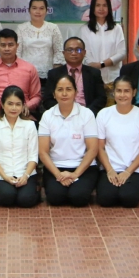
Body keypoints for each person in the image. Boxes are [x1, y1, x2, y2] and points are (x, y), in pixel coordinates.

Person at [38, 74, 99, 207]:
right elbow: (43, 152)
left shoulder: (86, 114)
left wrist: (75, 174)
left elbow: (93, 149)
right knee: (55, 198)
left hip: (83, 166)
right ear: (54, 94)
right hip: (56, 166)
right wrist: (58, 175)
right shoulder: (47, 116)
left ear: (76, 92)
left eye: (68, 89)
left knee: (79, 198)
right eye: (60, 90)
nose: (64, 93)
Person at [96, 75, 139, 208]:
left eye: (126, 91)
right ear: (113, 92)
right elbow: (100, 147)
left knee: (129, 199)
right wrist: (109, 170)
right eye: (119, 91)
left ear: (134, 92)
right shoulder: (104, 114)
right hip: (110, 168)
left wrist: (128, 172)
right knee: (106, 199)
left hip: (134, 169)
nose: (122, 95)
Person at [0, 86, 40, 207]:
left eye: (18, 104)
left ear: (23, 106)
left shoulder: (30, 125)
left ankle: (33, 190)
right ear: (2, 104)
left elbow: (33, 156)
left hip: (25, 173)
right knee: (7, 197)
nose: (14, 108)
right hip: (2, 174)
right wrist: (5, 176)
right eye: (10, 103)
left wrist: (25, 176)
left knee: (26, 200)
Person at [0, 29, 42, 119]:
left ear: (17, 46)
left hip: (21, 114)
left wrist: (27, 106)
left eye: (10, 45)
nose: (7, 49)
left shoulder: (29, 68)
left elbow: (36, 96)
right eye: (3, 45)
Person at [41, 37, 107, 116]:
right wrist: (63, 113)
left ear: (84, 52)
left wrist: (87, 114)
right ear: (63, 53)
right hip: (61, 116)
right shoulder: (54, 74)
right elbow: (48, 100)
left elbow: (101, 98)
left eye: (78, 50)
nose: (74, 53)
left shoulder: (94, 73)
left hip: (87, 115)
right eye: (70, 50)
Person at [17, 0, 65, 86]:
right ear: (29, 10)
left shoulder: (53, 28)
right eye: (34, 8)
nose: (38, 12)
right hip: (25, 75)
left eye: (41, 8)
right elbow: (17, 53)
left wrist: (55, 75)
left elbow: (58, 52)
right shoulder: (21, 28)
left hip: (48, 76)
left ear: (46, 11)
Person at [84, 0, 126, 85]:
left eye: (104, 5)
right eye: (98, 5)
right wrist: (94, 66)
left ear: (109, 8)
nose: (101, 9)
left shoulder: (116, 28)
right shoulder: (85, 29)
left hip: (114, 78)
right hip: (93, 77)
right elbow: (85, 54)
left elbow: (122, 53)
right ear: (93, 8)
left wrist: (101, 64)